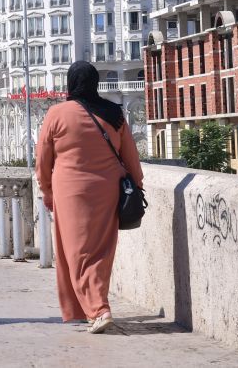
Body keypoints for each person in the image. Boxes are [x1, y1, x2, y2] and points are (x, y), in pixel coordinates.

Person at [36, 61, 145, 334]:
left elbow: (43, 160)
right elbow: (131, 157)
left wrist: (46, 190)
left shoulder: (56, 114)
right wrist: (136, 186)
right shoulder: (114, 113)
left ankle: (98, 309)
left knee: (76, 252)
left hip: (70, 192)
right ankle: (90, 309)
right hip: (108, 191)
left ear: (71, 83)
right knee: (101, 252)